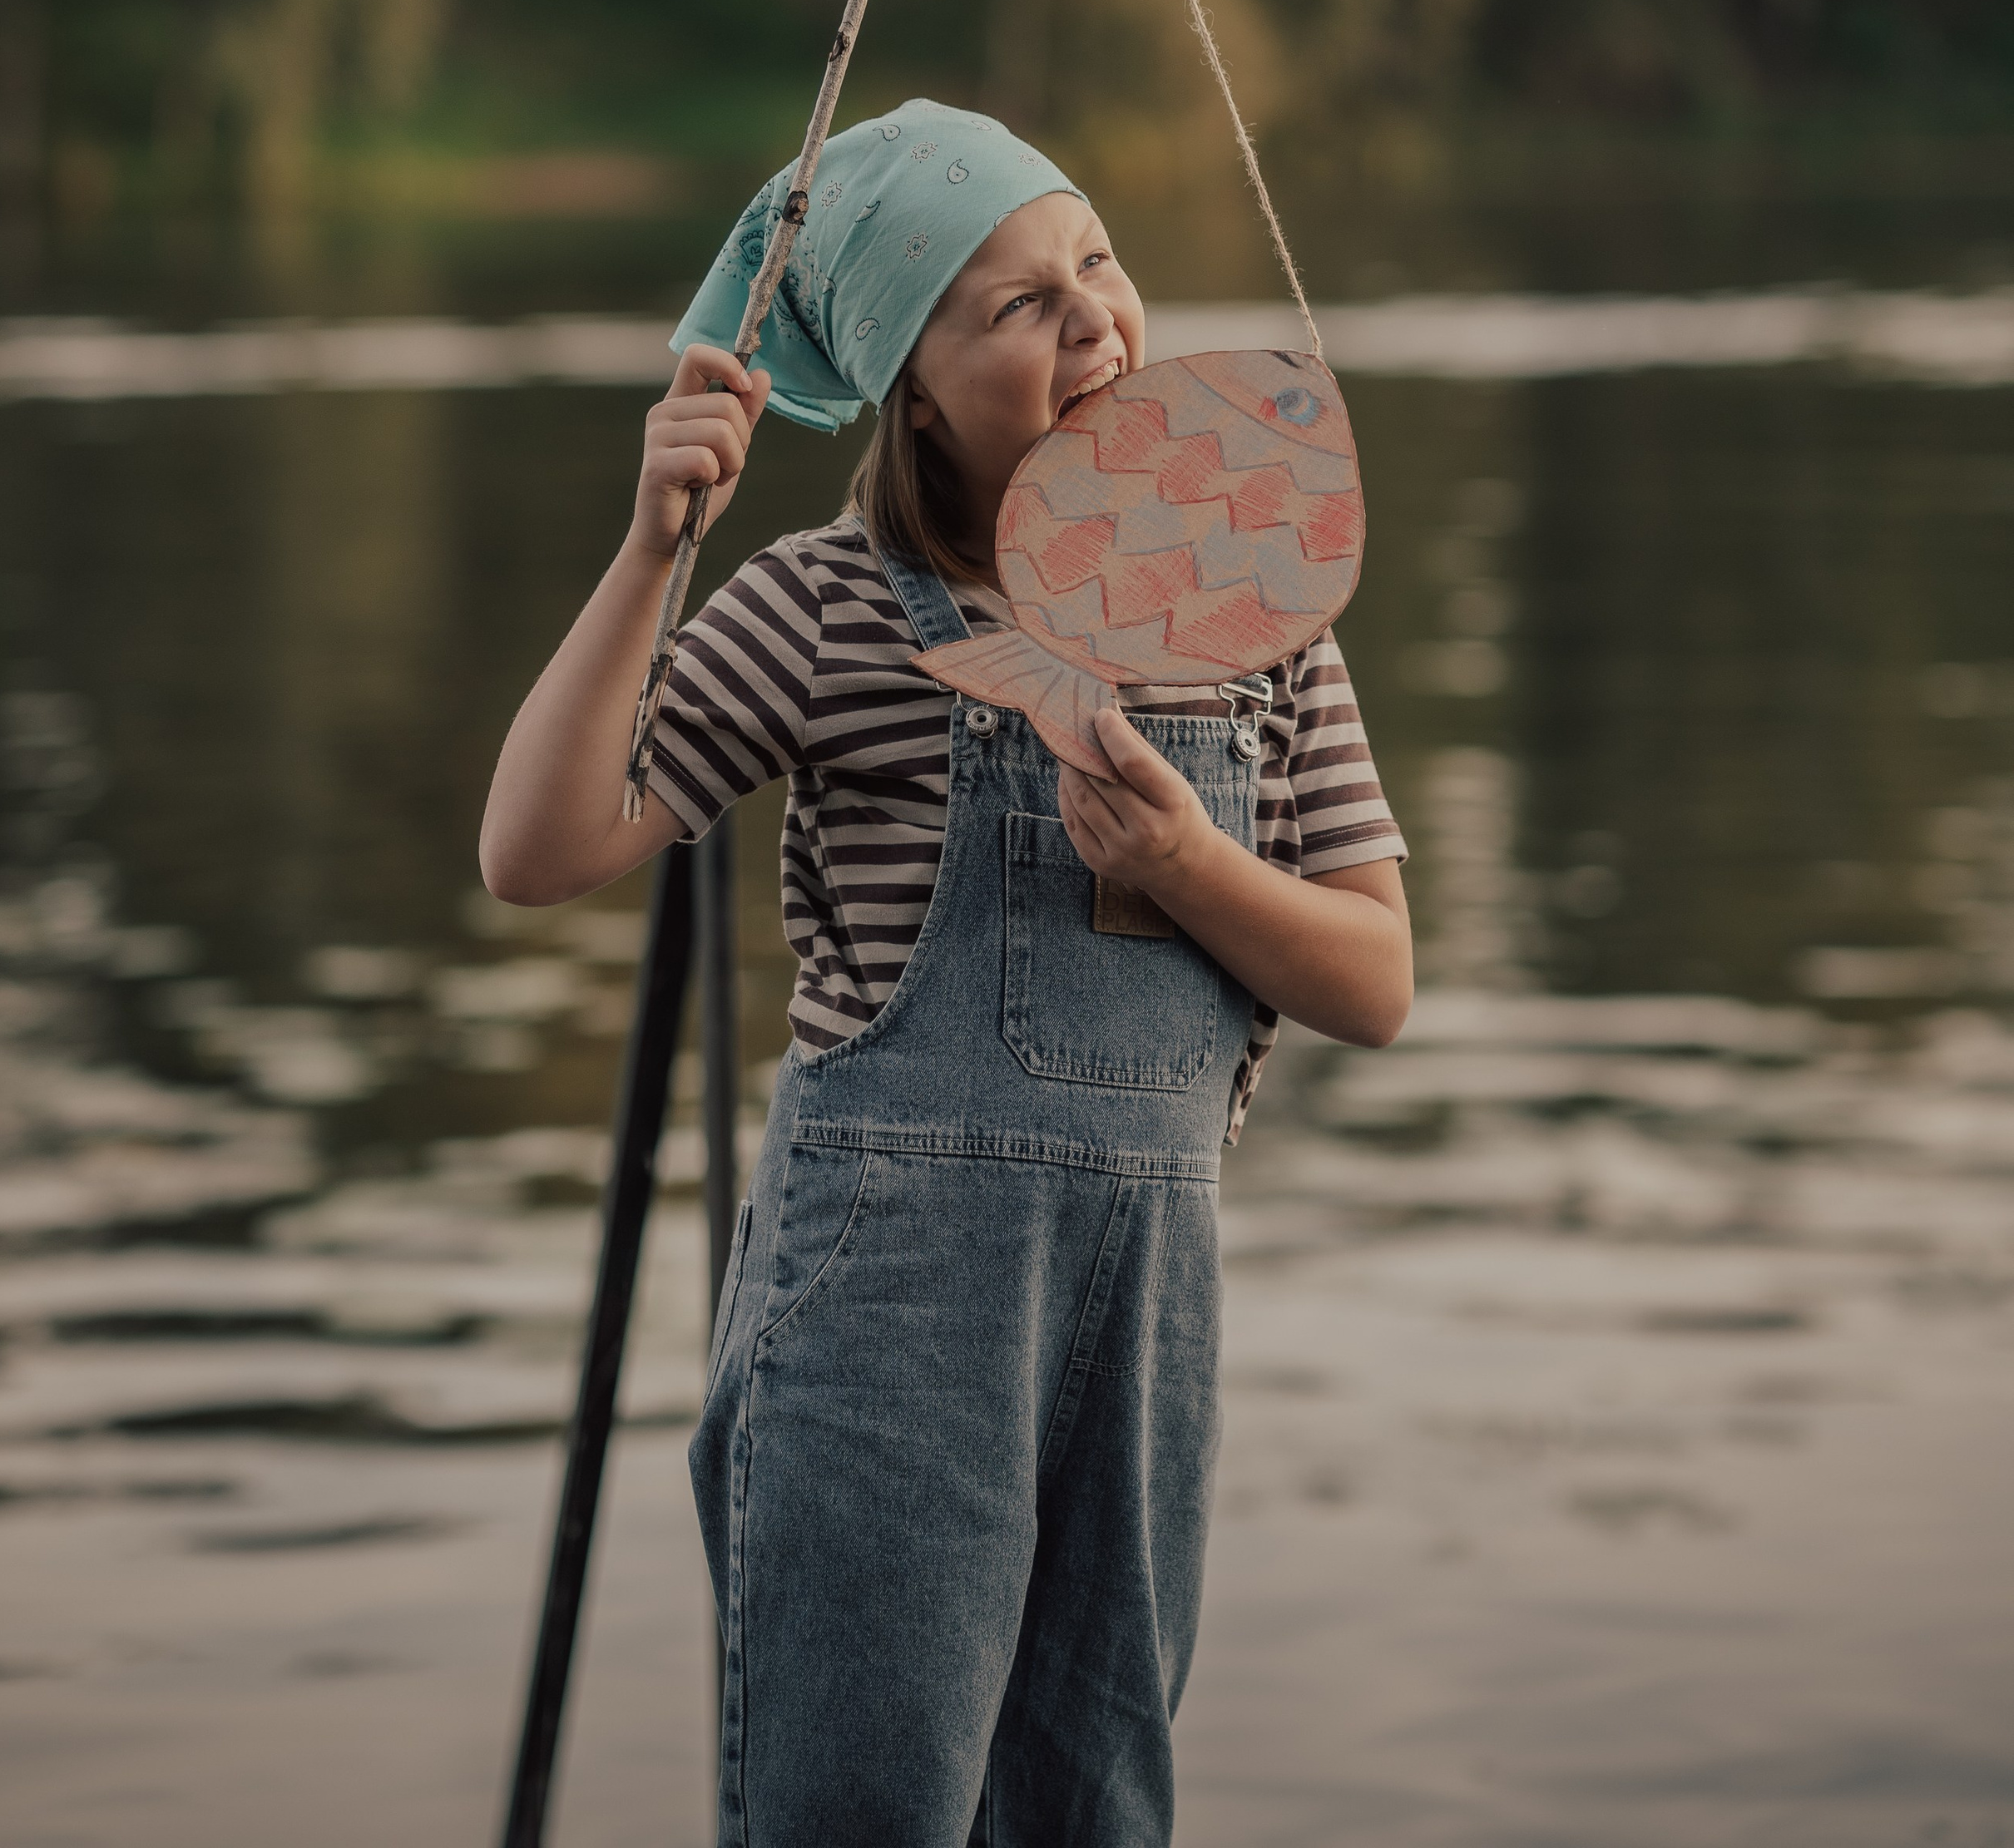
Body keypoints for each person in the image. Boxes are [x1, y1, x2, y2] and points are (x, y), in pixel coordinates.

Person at [481, 99, 1411, 1848]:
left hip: (1142, 1341)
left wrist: (1183, 866)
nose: (1093, 325)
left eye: (1097, 267)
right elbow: (535, 853)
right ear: (911, 380)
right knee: (864, 1811)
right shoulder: (831, 605)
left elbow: (1374, 979)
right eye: (1014, 306)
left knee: (1094, 1812)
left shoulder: (1253, 595)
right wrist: (649, 554)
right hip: (887, 1335)